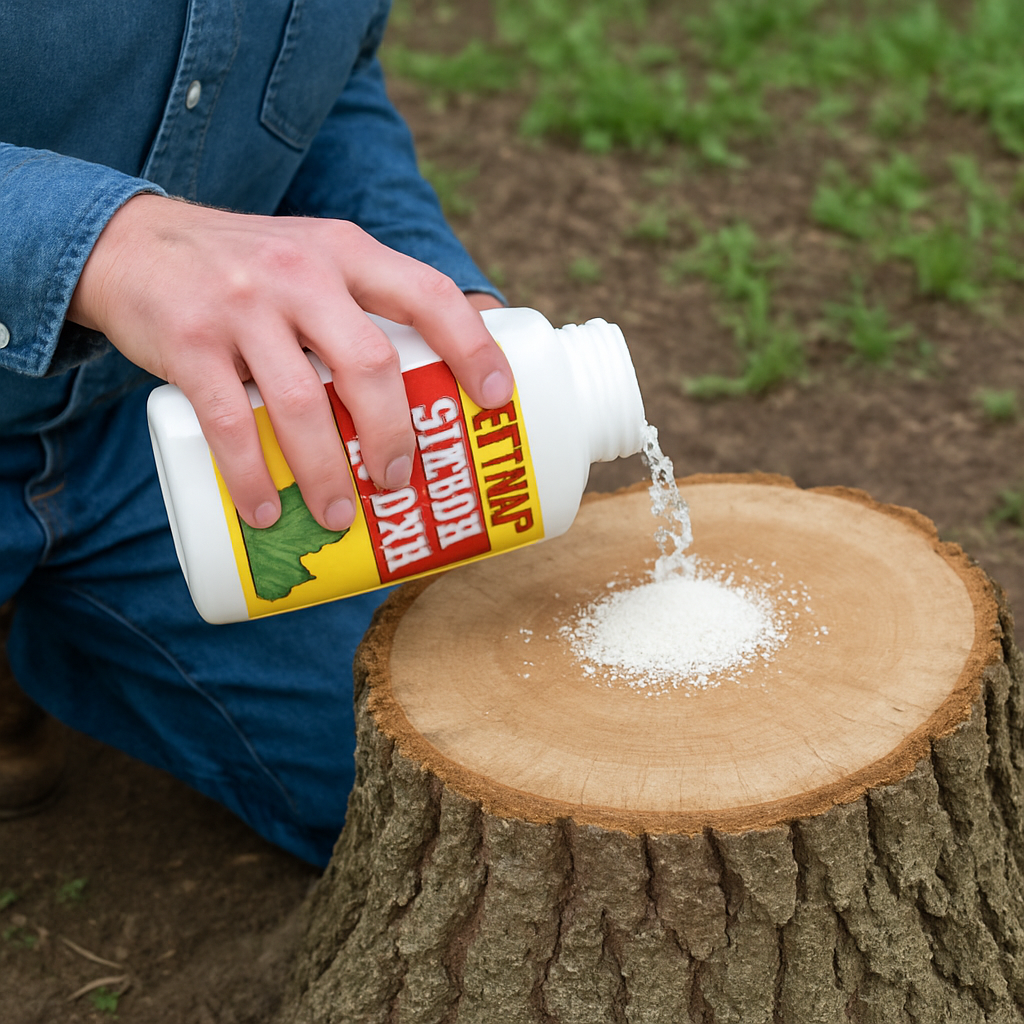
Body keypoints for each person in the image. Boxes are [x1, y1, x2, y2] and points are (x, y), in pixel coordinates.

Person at [0, 1, 512, 867]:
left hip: (172, 415)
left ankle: (59, 624)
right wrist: (105, 248)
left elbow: (329, 92)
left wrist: (428, 292)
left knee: (456, 796)